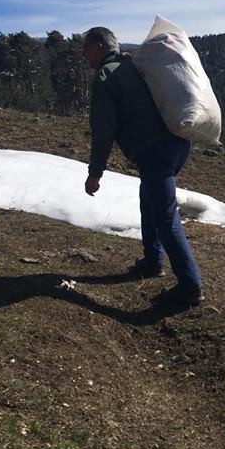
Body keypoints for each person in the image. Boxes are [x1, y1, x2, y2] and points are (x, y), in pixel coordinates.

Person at [83, 26, 203, 306]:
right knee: (148, 196)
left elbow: (103, 130)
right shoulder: (133, 63)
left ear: (99, 47)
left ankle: (190, 285)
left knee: (164, 216)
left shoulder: (105, 77)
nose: (83, 55)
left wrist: (95, 173)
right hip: (179, 143)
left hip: (155, 150)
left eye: (86, 49)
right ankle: (152, 261)